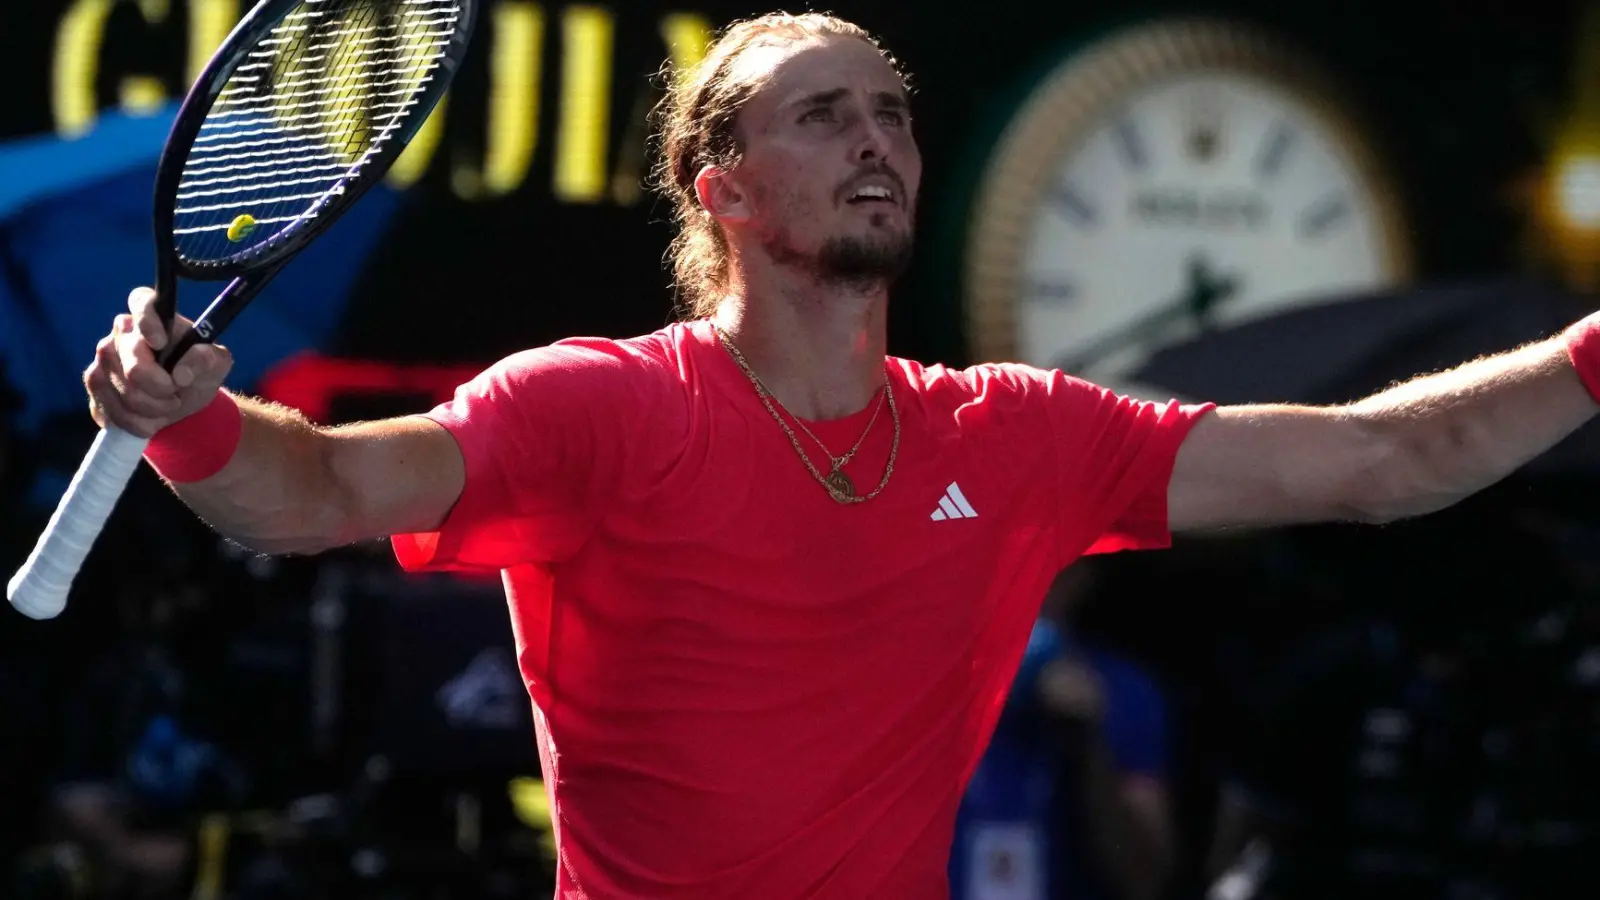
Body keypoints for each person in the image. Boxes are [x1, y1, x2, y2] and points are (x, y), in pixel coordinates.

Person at [76, 11, 1600, 898]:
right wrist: (189, 421)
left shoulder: (1016, 436)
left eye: (893, 113)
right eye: (824, 117)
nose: (878, 140)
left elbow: (1384, 462)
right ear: (718, 185)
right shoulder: (599, 408)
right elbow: (315, 496)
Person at [951, 568, 1174, 900]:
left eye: (1054, 569)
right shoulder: (914, 692)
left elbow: (1145, 880)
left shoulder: (1120, 692)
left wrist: (1091, 744)